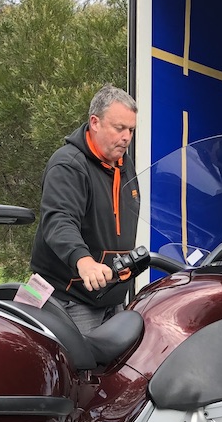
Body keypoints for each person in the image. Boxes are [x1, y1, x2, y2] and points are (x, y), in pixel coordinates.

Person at [30, 84, 140, 334]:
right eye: (119, 128)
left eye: (131, 130)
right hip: (72, 299)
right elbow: (59, 220)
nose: (126, 137)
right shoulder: (68, 164)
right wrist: (84, 261)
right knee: (80, 370)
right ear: (95, 122)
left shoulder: (124, 164)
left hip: (112, 297)